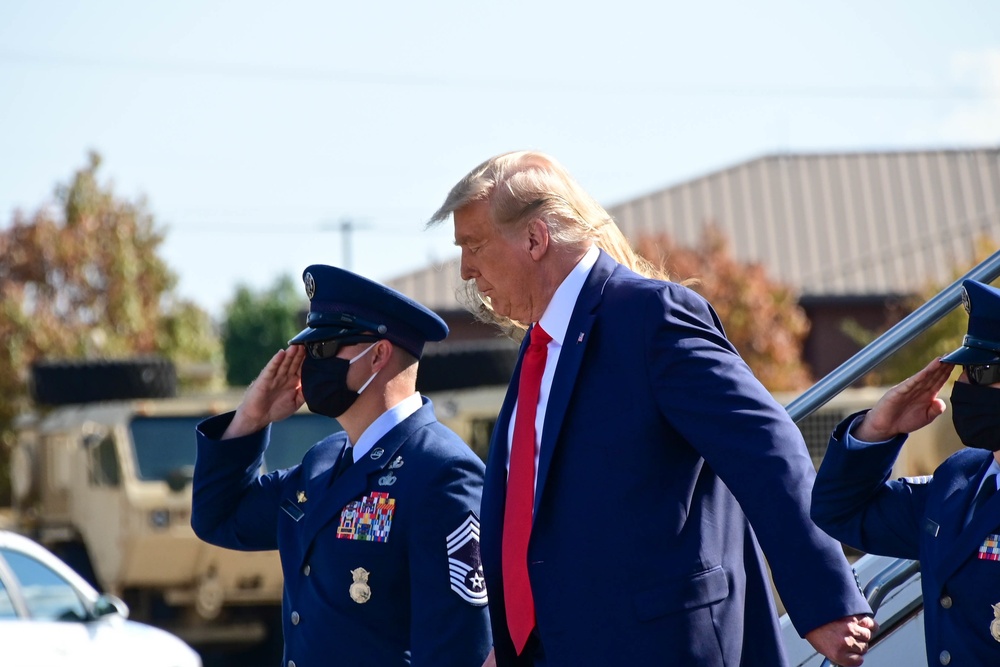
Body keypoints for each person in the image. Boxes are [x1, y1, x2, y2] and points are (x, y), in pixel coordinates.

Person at [427, 150, 874, 667]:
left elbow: (766, 448)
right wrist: (514, 645)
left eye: (474, 245)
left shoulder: (650, 315)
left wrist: (825, 599)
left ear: (534, 238)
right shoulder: (540, 345)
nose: (465, 267)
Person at [191, 264, 492, 667]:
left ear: (378, 355)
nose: (308, 365)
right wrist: (251, 417)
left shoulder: (441, 472)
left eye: (323, 350)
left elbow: (458, 649)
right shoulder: (324, 460)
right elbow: (219, 516)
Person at [812, 279, 1000, 665]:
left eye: (979, 372)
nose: (961, 384)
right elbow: (840, 511)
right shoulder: (960, 480)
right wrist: (878, 431)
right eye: (963, 370)